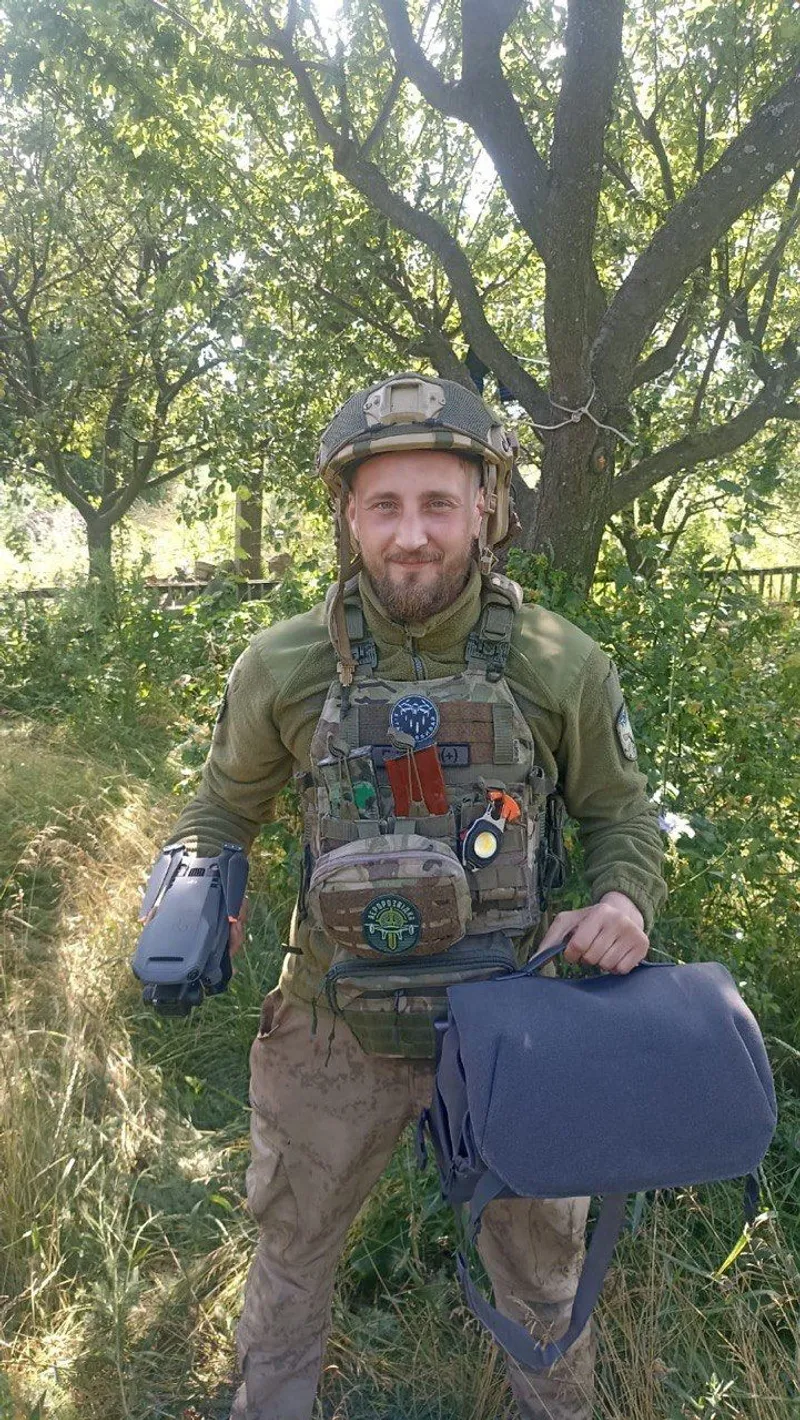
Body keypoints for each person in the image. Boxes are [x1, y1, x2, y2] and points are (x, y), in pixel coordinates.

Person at [165, 373, 666, 1420]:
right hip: (330, 1027)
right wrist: (194, 897)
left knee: (542, 1280)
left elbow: (621, 816)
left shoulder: (557, 662)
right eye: (384, 506)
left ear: (485, 507)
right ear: (348, 516)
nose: (410, 536)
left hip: (512, 1025)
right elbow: (220, 810)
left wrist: (623, 901)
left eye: (437, 503)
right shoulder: (285, 664)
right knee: (292, 1256)